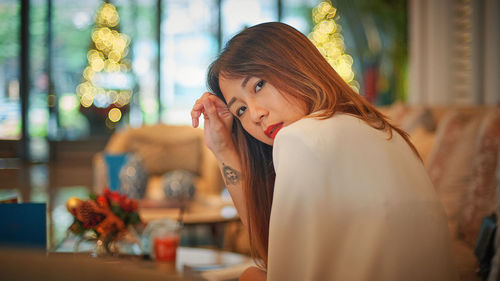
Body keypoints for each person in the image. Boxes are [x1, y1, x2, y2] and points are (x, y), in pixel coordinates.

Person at [191, 22, 458, 281]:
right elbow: (276, 255)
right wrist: (224, 147)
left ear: (295, 65)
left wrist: (224, 150)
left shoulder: (302, 137)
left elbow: (280, 270)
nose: (256, 114)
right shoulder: (381, 129)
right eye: (241, 110)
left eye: (259, 85)